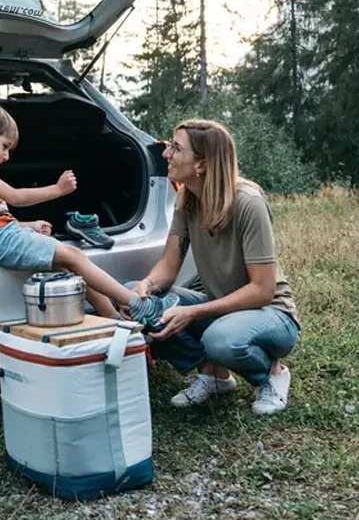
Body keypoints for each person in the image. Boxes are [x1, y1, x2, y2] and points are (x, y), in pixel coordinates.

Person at [124, 119, 300, 416]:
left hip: (272, 314)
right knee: (132, 297)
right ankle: (214, 375)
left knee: (220, 339)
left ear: (201, 165)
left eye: (176, 148)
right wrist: (145, 287)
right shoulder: (187, 197)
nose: (166, 153)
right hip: (221, 307)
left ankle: (272, 374)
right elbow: (168, 266)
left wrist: (193, 312)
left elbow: (262, 291)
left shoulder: (248, 203)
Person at [0, 104, 144, 314]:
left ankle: (115, 318)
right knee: (74, 255)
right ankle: (137, 303)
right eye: (4, 146)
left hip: (0, 235)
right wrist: (58, 189)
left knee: (71, 266)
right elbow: (15, 197)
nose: (6, 156)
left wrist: (29, 226)